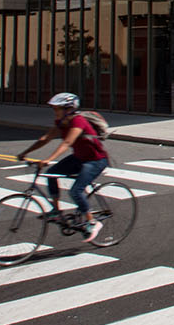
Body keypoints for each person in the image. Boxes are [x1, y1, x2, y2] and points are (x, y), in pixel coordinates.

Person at [16, 92, 109, 243]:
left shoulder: (78, 121)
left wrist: (48, 159)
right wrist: (25, 153)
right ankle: (56, 211)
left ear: (68, 109)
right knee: (51, 174)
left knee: (76, 191)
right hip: (79, 158)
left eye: (57, 109)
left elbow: (67, 143)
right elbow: (45, 138)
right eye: (54, 109)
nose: (55, 112)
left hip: (95, 160)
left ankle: (92, 222)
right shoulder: (61, 122)